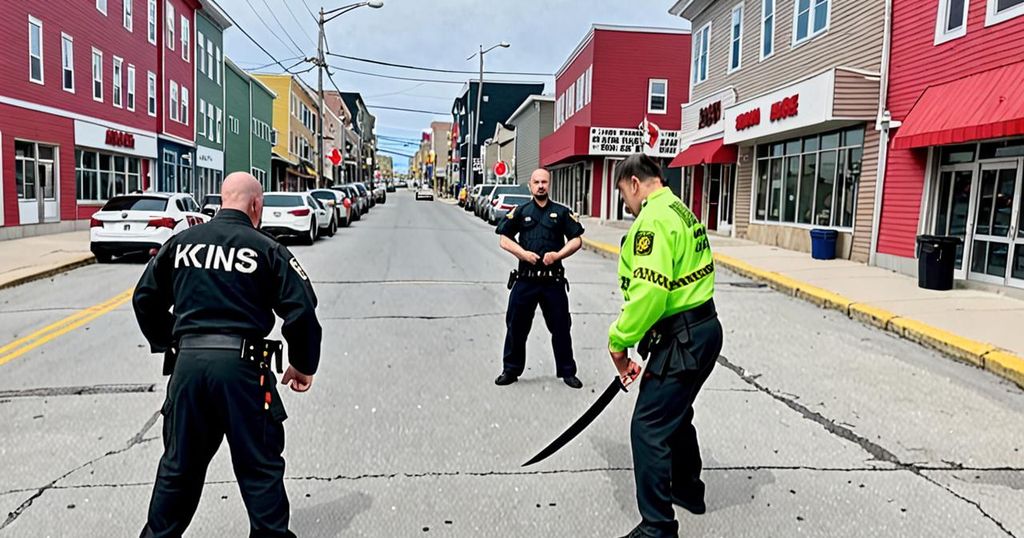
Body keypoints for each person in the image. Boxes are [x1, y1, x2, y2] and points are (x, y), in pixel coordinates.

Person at [133, 172, 322, 538]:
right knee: (260, 470)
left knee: (178, 469)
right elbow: (301, 312)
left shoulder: (182, 243)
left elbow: (145, 299)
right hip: (244, 371)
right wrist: (302, 364)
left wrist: (172, 341)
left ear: (221, 201)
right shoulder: (267, 249)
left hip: (188, 368)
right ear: (256, 204)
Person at [607, 154, 722, 538]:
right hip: (703, 329)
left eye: (624, 193)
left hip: (683, 338)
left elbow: (650, 295)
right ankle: (688, 491)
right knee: (676, 413)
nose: (625, 203)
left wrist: (619, 344)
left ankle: (657, 527)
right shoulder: (681, 210)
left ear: (636, 183)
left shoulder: (652, 221)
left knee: (649, 427)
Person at [494, 168, 585, 389]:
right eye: (536, 182)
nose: (541, 185)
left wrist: (558, 255)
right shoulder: (521, 211)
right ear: (530, 186)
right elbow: (504, 239)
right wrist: (523, 254)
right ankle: (510, 370)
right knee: (516, 327)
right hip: (525, 280)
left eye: (544, 181)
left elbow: (577, 240)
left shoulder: (562, 213)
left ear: (549, 184)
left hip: (552, 281)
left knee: (561, 327)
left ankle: (567, 372)